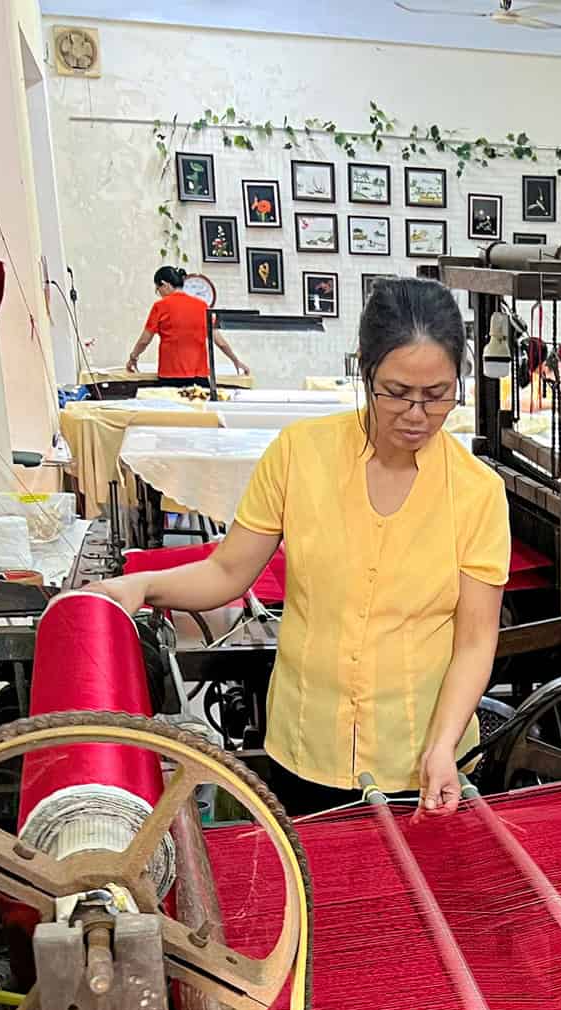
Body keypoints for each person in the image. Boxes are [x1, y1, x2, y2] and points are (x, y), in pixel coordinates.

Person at [96, 277, 508, 815]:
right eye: (397, 392)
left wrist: (442, 744)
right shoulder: (300, 455)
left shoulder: (476, 492)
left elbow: (476, 640)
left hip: (421, 757)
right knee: (312, 892)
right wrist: (143, 584)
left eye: (437, 396)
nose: (416, 415)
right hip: (306, 746)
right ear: (364, 370)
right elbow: (227, 572)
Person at [125, 266, 248, 385]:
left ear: (165, 284)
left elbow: (144, 340)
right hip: (199, 377)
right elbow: (220, 342)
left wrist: (133, 358)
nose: (159, 293)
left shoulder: (160, 306)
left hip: (170, 375)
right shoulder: (202, 306)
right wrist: (236, 361)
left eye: (158, 289)